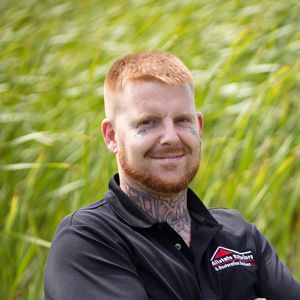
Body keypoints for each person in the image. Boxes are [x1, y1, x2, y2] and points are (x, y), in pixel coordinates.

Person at [44, 51, 300, 300]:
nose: (170, 137)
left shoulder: (240, 234)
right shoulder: (88, 240)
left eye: (182, 120)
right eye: (148, 123)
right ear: (111, 136)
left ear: (198, 127)